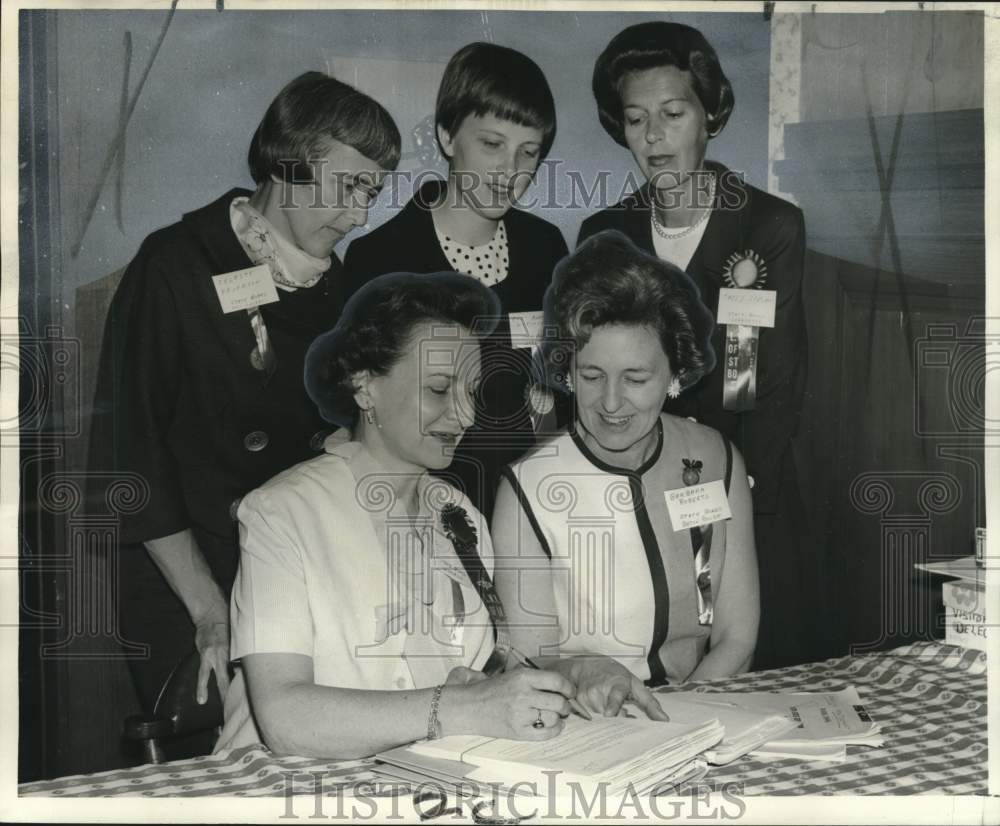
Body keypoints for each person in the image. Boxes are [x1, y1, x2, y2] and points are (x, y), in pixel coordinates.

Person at [88, 71, 401, 714]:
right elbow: (131, 454)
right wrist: (208, 609)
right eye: (347, 187)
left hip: (286, 562)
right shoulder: (175, 264)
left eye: (372, 191)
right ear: (287, 166)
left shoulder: (335, 288)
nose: (360, 214)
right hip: (183, 572)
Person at [214, 272, 578, 757]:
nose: (464, 416)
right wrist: (459, 706)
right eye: (438, 389)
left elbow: (476, 673)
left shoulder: (459, 514)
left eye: (471, 392)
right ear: (365, 389)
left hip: (418, 777)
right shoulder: (282, 512)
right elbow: (285, 718)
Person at [578, 22, 813, 669]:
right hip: (635, 489)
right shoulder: (604, 233)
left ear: (709, 115)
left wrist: (728, 498)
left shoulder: (766, 225)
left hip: (742, 487)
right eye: (634, 119)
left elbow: (765, 381)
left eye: (672, 113)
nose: (653, 137)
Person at [492, 231, 759, 711]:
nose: (611, 403)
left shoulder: (717, 459)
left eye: (636, 378)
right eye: (592, 376)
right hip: (586, 723)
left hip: (704, 706)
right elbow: (529, 659)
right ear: (567, 372)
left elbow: (736, 637)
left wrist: (679, 717)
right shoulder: (526, 486)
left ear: (675, 374)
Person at [344, 42, 569, 521]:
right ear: (448, 136)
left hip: (530, 507)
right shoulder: (379, 259)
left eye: (527, 153)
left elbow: (559, 393)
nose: (509, 171)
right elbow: (359, 418)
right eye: (491, 144)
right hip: (419, 514)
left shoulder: (546, 248)